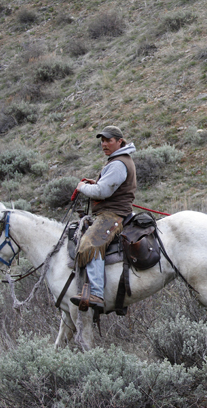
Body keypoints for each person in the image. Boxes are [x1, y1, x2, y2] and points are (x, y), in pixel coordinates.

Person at [70, 126, 137, 312]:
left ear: (119, 141)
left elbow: (102, 191)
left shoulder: (118, 163)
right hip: (114, 211)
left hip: (113, 214)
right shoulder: (119, 160)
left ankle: (97, 293)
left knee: (91, 243)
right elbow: (105, 186)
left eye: (108, 140)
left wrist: (82, 187)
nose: (104, 144)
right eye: (102, 141)